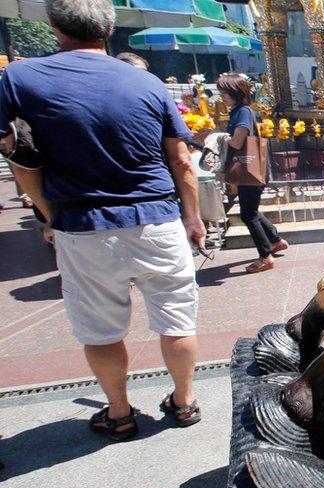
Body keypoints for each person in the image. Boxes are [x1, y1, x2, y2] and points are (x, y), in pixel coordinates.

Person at [0, 0, 206, 440]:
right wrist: (193, 217)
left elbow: (16, 150)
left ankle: (119, 411)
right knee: (177, 319)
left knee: (100, 327)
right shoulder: (147, 82)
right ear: (109, 28)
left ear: (54, 25)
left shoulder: (22, 77)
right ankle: (185, 401)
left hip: (84, 224)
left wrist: (47, 211)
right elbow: (181, 160)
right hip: (158, 220)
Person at [218, 73, 288, 273]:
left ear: (236, 92)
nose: (221, 97)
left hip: (248, 170)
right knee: (251, 210)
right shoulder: (239, 111)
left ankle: (265, 256)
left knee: (248, 214)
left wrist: (219, 138)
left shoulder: (243, 112)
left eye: (225, 93)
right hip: (249, 170)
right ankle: (275, 240)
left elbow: (238, 142)